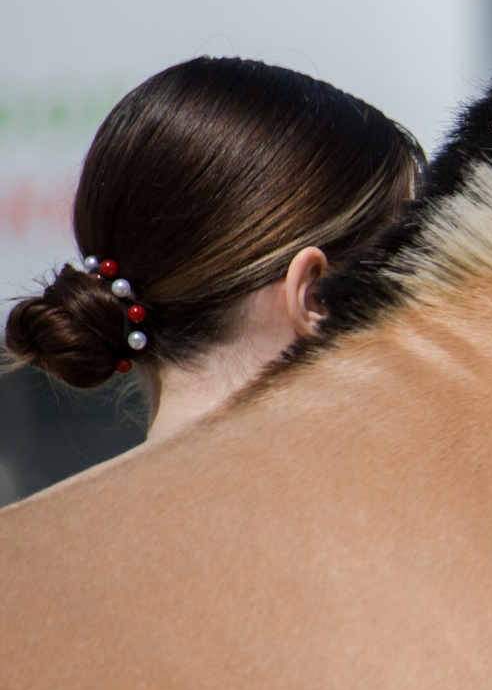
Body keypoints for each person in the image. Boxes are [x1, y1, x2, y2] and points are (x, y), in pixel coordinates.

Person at [3, 57, 422, 442]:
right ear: (315, 297)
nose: (418, 314)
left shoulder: (62, 522)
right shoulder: (367, 521)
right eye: (401, 275)